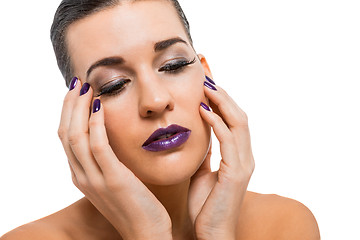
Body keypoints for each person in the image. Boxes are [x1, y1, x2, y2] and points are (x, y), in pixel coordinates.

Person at [1, 0, 320, 239]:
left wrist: (217, 232)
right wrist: (147, 233)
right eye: (114, 84)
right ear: (77, 111)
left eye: (173, 65)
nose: (155, 100)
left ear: (206, 75)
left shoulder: (284, 225)